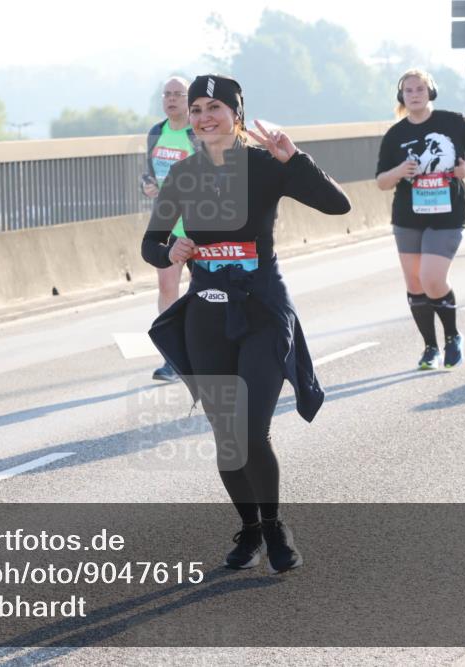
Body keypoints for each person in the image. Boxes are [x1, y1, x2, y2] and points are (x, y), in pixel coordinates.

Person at [141, 74, 351, 573]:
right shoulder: (184, 173)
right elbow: (151, 245)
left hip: (262, 310)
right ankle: (251, 528)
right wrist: (170, 249)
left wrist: (294, 159)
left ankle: (275, 525)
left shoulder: (264, 165)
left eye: (215, 107)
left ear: (236, 115)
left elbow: (337, 204)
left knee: (252, 430)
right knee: (228, 437)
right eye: (196, 109)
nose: (204, 117)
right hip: (206, 315)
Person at [376, 68, 465, 370]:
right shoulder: (395, 135)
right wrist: (400, 171)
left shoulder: (452, 122)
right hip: (407, 215)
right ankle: (430, 348)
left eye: (420, 90)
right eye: (409, 91)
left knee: (432, 278)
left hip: (447, 212)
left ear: (430, 93)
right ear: (402, 96)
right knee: (414, 283)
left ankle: (452, 336)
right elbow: (382, 181)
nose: (414, 95)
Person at [142, 76, 197, 382]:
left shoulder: (196, 134)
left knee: (204, 289)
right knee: (167, 289)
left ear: (189, 100)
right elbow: (148, 175)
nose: (171, 99)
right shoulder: (156, 133)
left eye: (178, 94)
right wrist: (147, 186)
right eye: (167, 94)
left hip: (199, 224)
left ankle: (205, 350)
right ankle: (172, 358)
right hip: (167, 223)